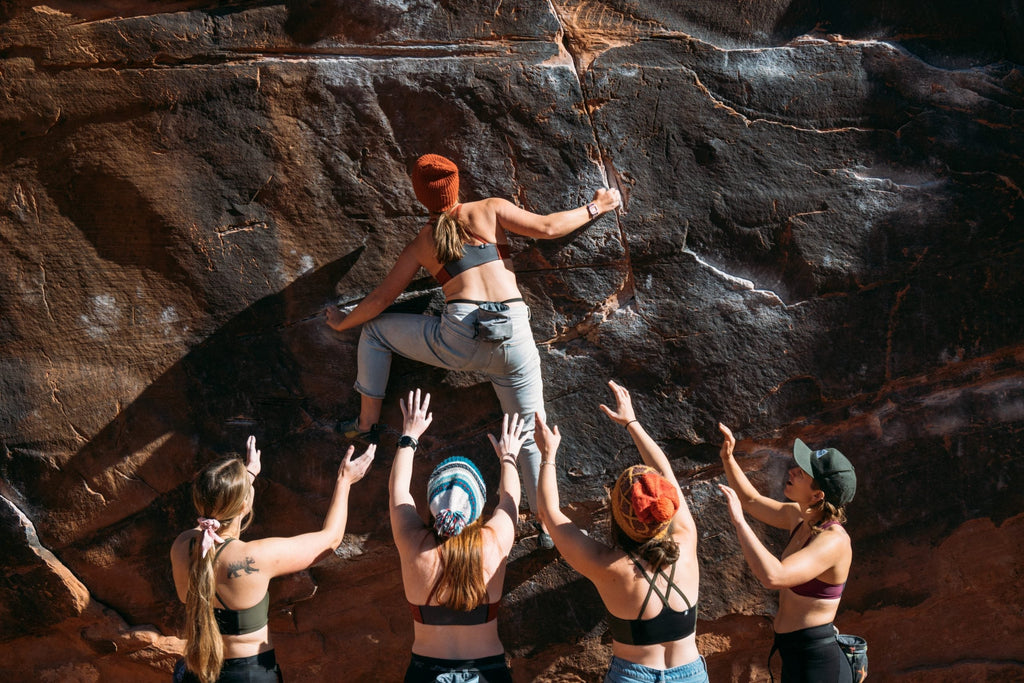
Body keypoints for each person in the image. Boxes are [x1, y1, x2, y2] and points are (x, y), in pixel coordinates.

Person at [325, 153, 621, 547]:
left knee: (376, 332)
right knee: (530, 434)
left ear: (420, 198)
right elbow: (549, 228)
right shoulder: (490, 210)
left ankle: (366, 424)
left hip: (459, 337)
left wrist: (341, 322)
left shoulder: (423, 243)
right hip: (513, 336)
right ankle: (550, 529)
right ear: (457, 185)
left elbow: (380, 300)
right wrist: (598, 204)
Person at [534, 380, 708, 683]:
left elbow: (550, 514)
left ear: (616, 513)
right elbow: (665, 474)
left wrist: (548, 455)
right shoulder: (686, 538)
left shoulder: (607, 566)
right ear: (667, 510)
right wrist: (632, 422)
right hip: (689, 674)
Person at [170, 435, 374, 683]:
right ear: (245, 505)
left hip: (198, 672)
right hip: (250, 676)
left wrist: (246, 479)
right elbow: (330, 540)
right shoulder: (256, 558)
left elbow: (215, 523)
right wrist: (345, 481)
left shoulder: (181, 545)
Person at [388, 388, 525, 682]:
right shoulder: (495, 541)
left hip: (426, 672)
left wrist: (410, 435)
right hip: (488, 672)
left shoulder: (413, 544)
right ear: (478, 504)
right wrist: (509, 456)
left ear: (432, 503)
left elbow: (398, 490)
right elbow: (510, 499)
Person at [717, 424, 857, 683]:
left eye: (802, 473)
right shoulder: (800, 517)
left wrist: (738, 523)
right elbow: (750, 501)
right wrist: (728, 458)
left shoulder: (832, 542)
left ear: (818, 494)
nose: (792, 470)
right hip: (796, 655)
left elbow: (774, 576)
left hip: (818, 664)